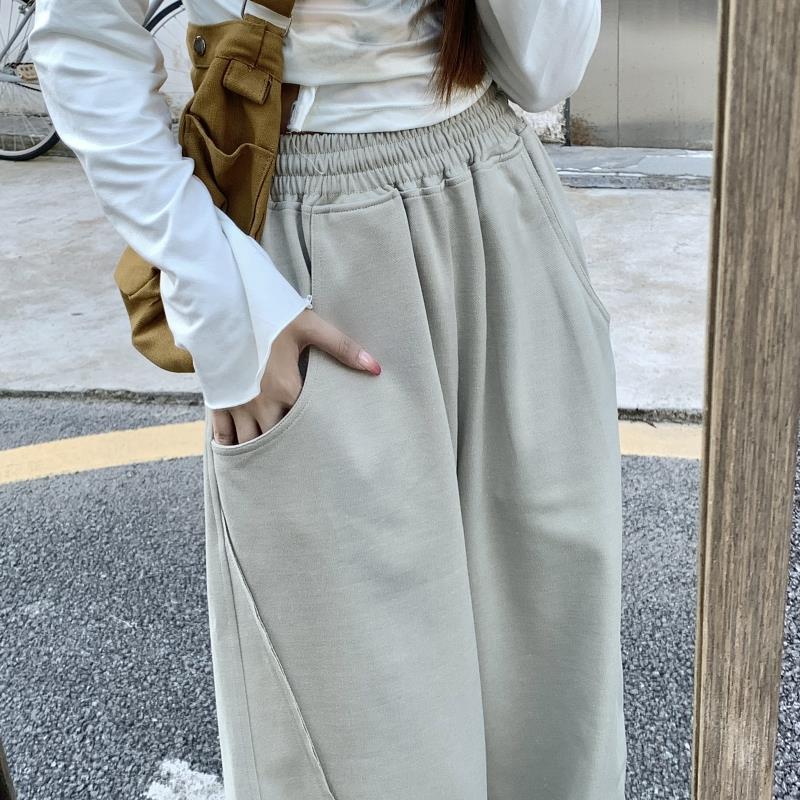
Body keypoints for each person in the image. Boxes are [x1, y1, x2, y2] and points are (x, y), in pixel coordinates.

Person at [29, 1, 627, 798]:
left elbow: (544, 71)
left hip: (503, 215)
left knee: (553, 699)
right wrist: (224, 299)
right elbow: (82, 35)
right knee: (359, 740)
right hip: (311, 256)